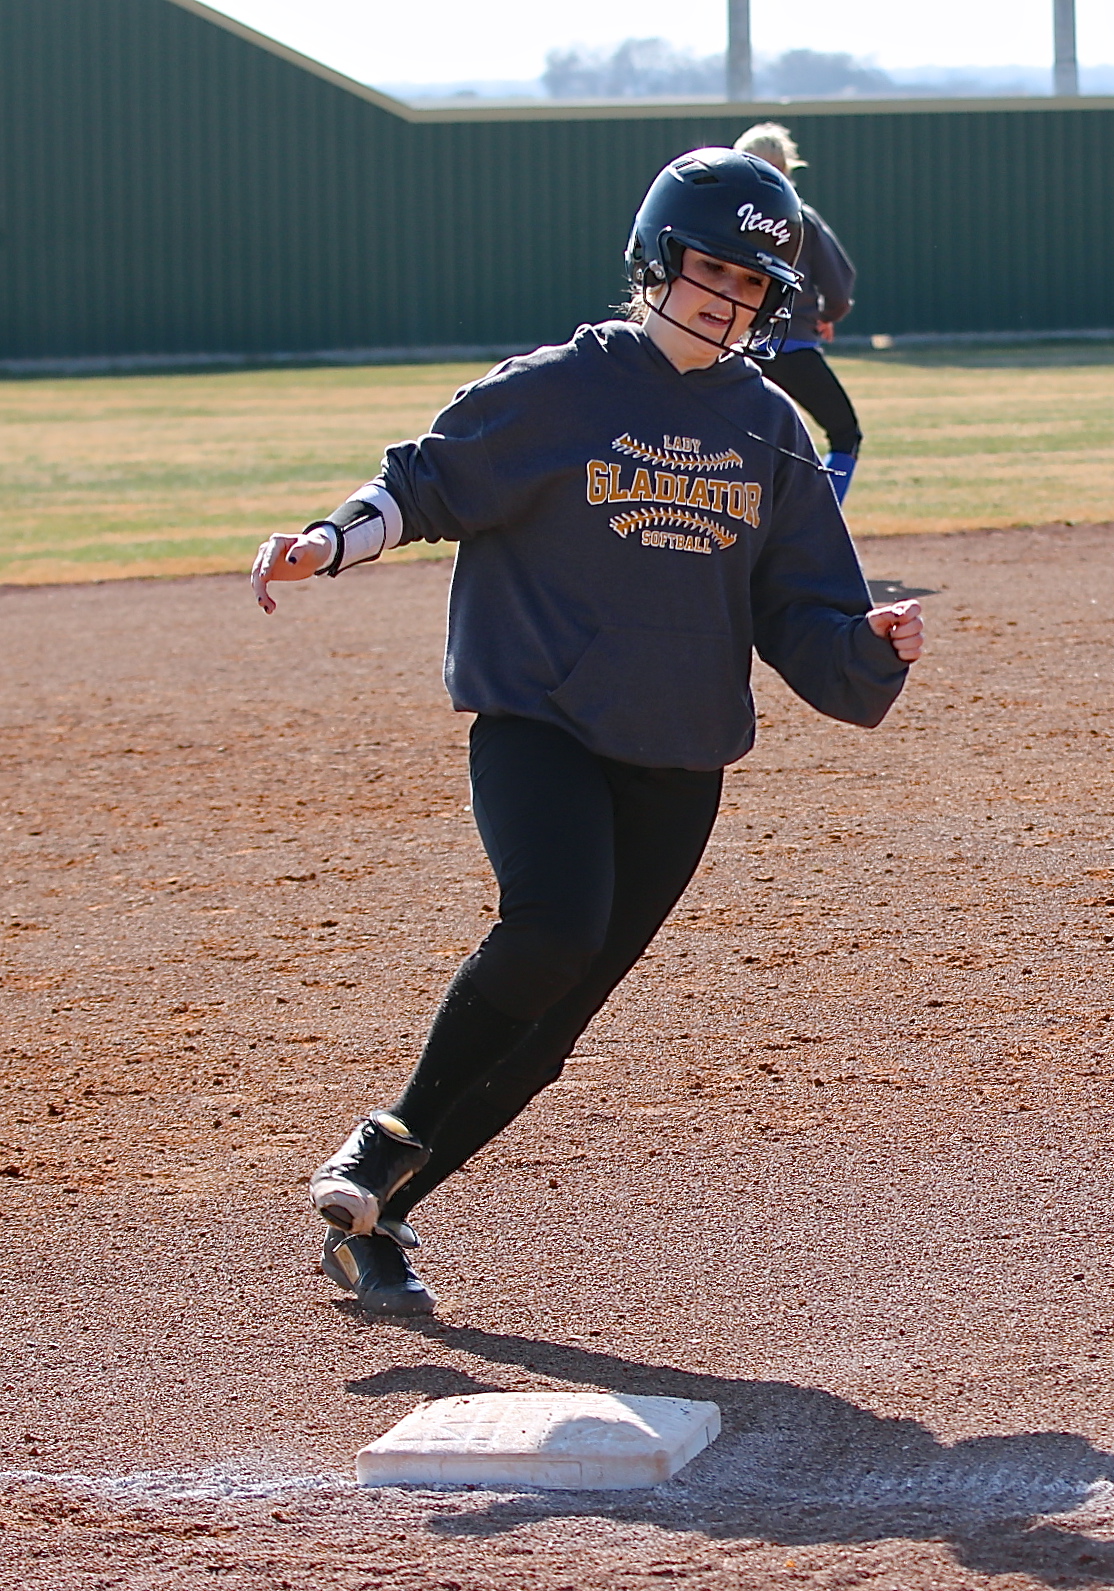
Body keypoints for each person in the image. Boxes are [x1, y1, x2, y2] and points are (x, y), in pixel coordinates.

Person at [249, 147, 925, 1314]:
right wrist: (328, 540)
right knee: (553, 926)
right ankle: (386, 1138)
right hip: (544, 721)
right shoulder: (560, 387)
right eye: (710, 268)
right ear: (657, 259)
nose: (726, 298)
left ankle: (377, 1219)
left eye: (752, 284)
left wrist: (868, 645)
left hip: (680, 756)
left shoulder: (768, 428)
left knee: (550, 1031)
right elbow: (424, 484)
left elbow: (801, 610)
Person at [733, 123, 863, 506]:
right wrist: (828, 315)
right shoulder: (800, 218)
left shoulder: (728, 218)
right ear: (786, 168)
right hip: (793, 346)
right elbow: (840, 284)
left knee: (743, 442)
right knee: (845, 433)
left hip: (737, 348)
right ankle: (820, 524)